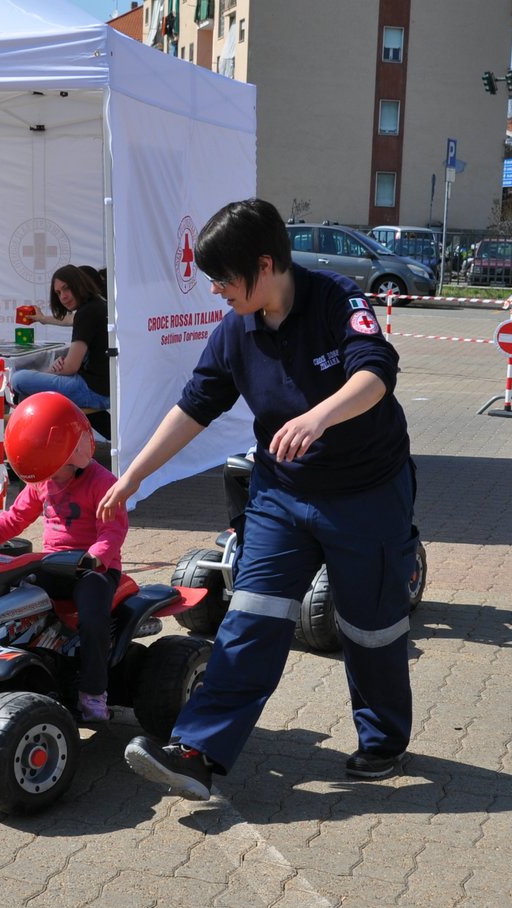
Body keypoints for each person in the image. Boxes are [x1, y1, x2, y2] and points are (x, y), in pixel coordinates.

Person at [99, 197, 417, 801]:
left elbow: (375, 372)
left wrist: (318, 418)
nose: (216, 290)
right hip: (282, 494)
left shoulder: (336, 299)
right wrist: (134, 474)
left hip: (367, 493)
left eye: (223, 278)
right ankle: (198, 752)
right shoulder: (234, 330)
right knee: (251, 617)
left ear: (265, 264)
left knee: (369, 626)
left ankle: (382, 738)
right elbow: (195, 406)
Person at [0, 393, 128, 725]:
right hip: (51, 564)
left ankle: (93, 693)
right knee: (7, 592)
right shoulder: (43, 482)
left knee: (93, 619)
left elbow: (114, 531)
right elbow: (14, 519)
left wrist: (95, 557)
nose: (52, 479)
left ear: (77, 452)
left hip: (94, 571)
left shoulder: (104, 484)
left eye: (57, 470)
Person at [11, 264, 110, 411]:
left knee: (18, 379)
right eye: (58, 293)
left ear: (80, 285)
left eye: (67, 288)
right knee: (31, 383)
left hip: (94, 391)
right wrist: (62, 364)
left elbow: (71, 367)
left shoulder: (87, 312)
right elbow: (73, 362)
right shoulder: (99, 305)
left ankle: (24, 425)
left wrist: (51, 370)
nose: (63, 296)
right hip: (104, 388)